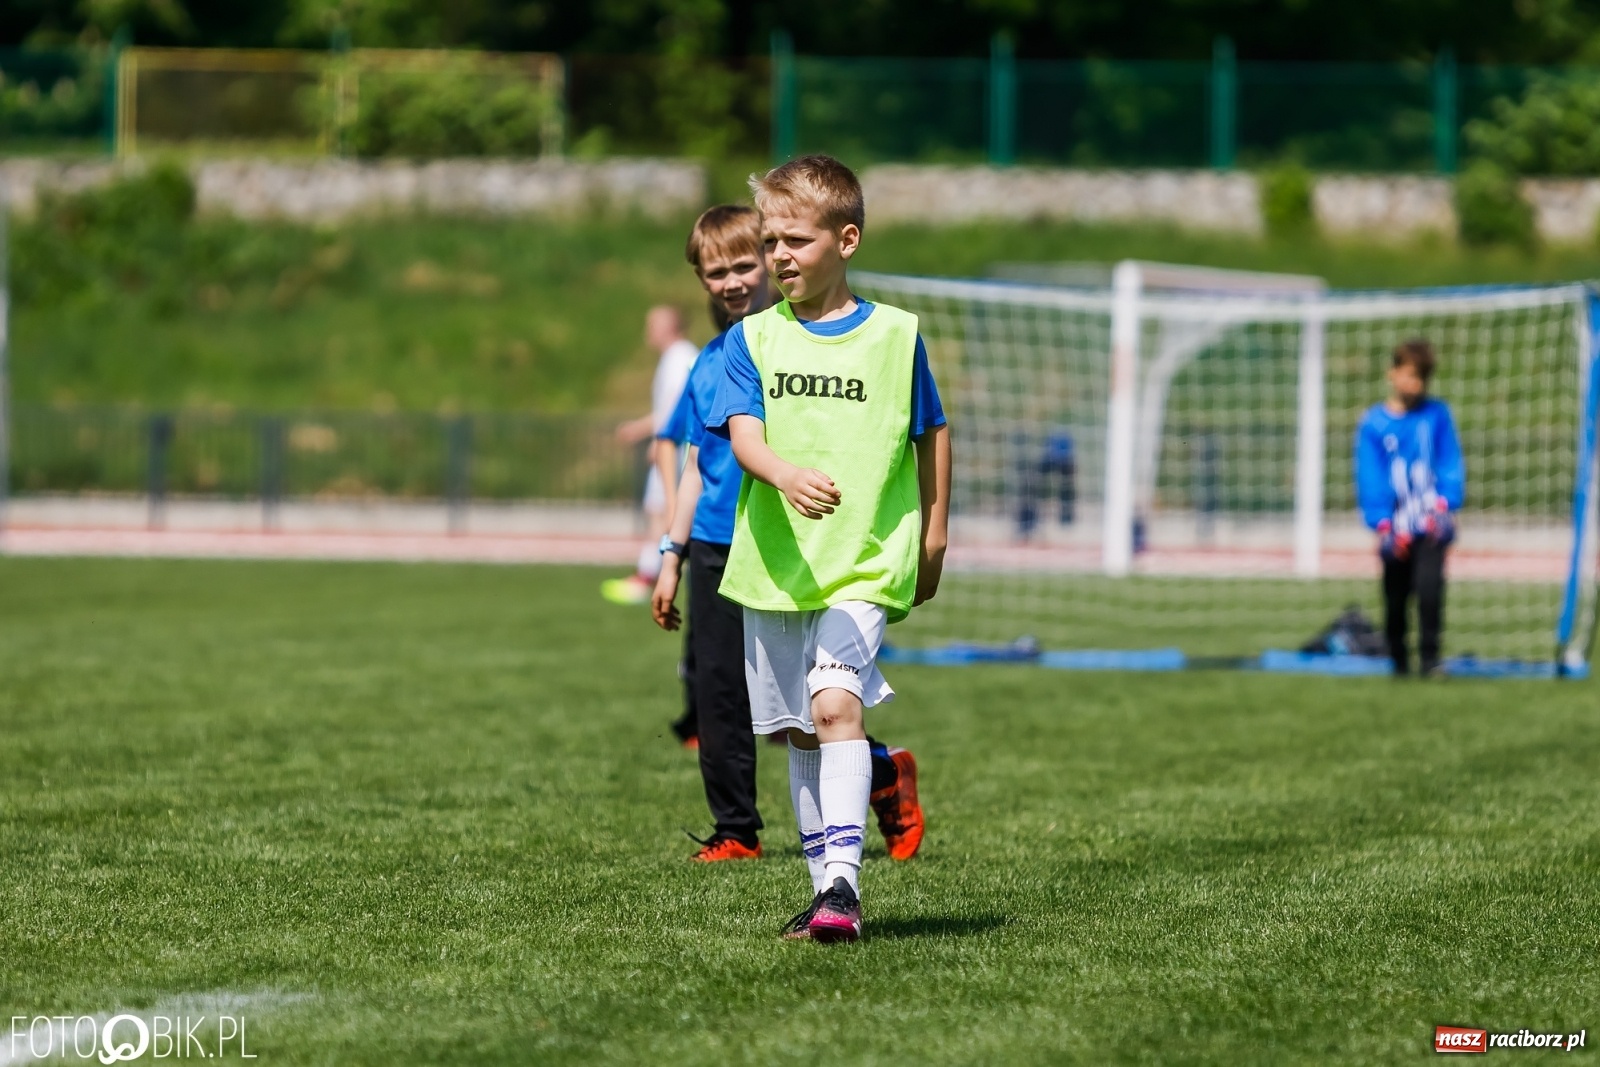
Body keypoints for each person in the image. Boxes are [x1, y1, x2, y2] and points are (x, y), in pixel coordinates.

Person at [707, 155, 952, 942]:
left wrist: (936, 534)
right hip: (779, 565)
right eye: (771, 241)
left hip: (867, 558)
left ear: (846, 240)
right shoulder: (752, 339)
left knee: (835, 703)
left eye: (796, 241)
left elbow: (931, 431)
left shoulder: (895, 336)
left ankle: (844, 886)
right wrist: (781, 472)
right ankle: (824, 895)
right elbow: (745, 435)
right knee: (799, 730)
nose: (779, 256)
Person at [652, 204, 927, 867]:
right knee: (718, 694)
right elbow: (694, 464)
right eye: (715, 272)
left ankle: (882, 772)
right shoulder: (712, 362)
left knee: (806, 710)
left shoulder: (794, 346)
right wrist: (671, 553)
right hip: (720, 547)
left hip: (787, 545)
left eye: (745, 264)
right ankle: (737, 829)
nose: (732, 281)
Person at [1354, 338, 1464, 677]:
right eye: (1409, 375)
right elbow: (1370, 475)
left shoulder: (1436, 416)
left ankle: (1430, 659)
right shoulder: (1374, 423)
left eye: (1421, 378)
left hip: (1429, 522)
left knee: (1430, 591)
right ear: (1393, 373)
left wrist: (1446, 504)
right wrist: (1382, 523)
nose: (1414, 384)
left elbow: (1450, 461)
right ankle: (1398, 660)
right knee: (1395, 598)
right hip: (1395, 528)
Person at [601, 306, 699, 606]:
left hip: (678, 448)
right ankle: (650, 572)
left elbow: (675, 407)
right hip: (673, 443)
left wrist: (660, 440)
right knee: (660, 511)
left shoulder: (679, 357)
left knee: (663, 510)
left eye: (652, 323)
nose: (648, 329)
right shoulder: (674, 356)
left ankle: (649, 575)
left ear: (670, 326)